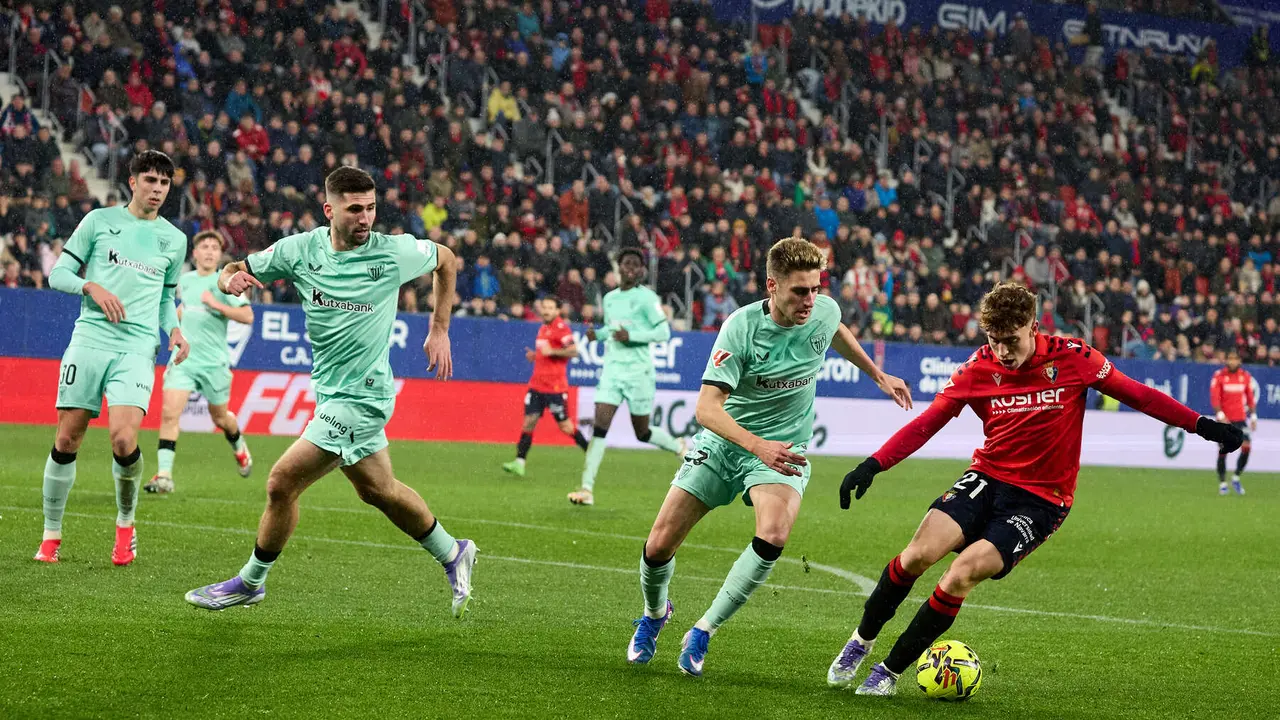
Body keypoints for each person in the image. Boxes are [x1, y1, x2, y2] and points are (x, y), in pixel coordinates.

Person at [826, 282, 1244, 696]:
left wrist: (1203, 426)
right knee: (917, 555)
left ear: (1034, 327)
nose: (1002, 352)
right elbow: (926, 424)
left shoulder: (1074, 358)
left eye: (1011, 341)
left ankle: (889, 672)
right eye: (994, 341)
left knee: (961, 573)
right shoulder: (977, 367)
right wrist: (873, 464)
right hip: (987, 478)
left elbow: (1141, 396)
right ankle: (860, 641)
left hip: (1041, 501)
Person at [183, 167, 479, 617]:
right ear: (329, 210)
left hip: (363, 397)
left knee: (281, 482)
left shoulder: (392, 251)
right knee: (378, 490)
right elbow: (234, 268)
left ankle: (251, 582)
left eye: (371, 208)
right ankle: (453, 551)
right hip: (330, 392)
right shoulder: (300, 250)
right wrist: (228, 281)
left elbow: (447, 259)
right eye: (355, 209)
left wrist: (439, 329)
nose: (365, 218)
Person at [625, 238, 913, 677]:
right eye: (799, 291)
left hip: (784, 449)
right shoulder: (740, 328)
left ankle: (704, 629)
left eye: (815, 288)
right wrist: (756, 445)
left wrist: (877, 374)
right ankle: (654, 614)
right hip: (726, 442)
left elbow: (835, 329)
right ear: (771, 286)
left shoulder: (823, 311)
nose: (810, 300)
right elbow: (706, 409)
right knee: (659, 544)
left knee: (774, 533)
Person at [35, 150, 190, 566]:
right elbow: (58, 274)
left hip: (137, 346)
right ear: (133, 181)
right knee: (67, 438)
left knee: (123, 439)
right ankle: (51, 535)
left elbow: (165, 298)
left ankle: (125, 525)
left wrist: (174, 329)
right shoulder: (98, 221)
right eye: (150, 180)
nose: (158, 189)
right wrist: (90, 286)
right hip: (90, 339)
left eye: (165, 183)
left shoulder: (174, 240)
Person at [568, 247, 686, 507]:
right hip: (612, 371)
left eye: (635, 264)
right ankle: (586, 488)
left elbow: (663, 333)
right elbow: (612, 330)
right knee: (600, 426)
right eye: (626, 263)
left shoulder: (647, 298)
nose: (631, 268)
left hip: (639, 373)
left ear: (641, 270)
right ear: (619, 268)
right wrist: (598, 335)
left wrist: (632, 336)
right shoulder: (610, 298)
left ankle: (679, 447)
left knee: (642, 432)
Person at [146, 230, 254, 494]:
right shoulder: (185, 280)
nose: (209, 251)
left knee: (221, 418)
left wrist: (216, 305)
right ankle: (164, 476)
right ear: (194, 253)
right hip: (184, 361)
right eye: (204, 246)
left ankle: (239, 447)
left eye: (214, 248)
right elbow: (184, 310)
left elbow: (248, 316)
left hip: (214, 363)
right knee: (169, 414)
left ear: (220, 255)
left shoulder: (225, 282)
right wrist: (172, 324)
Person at [502, 296, 590, 476]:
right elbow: (546, 353)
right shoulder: (543, 328)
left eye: (551, 308)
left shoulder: (561, 328)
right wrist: (536, 356)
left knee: (565, 427)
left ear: (558, 311)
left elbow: (574, 351)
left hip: (555, 388)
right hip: (537, 385)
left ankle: (591, 452)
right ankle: (519, 463)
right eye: (545, 307)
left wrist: (553, 351)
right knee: (529, 422)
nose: (547, 311)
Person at [1209, 348, 1256, 495]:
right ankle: (1223, 483)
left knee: (1247, 447)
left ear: (1239, 361)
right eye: (1230, 358)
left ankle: (1236, 477)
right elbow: (1215, 397)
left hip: (1240, 419)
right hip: (1224, 420)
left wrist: (1253, 416)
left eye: (1235, 359)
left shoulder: (1245, 376)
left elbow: (1250, 397)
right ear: (1226, 360)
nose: (1232, 361)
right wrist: (1220, 414)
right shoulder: (1219, 376)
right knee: (1224, 450)